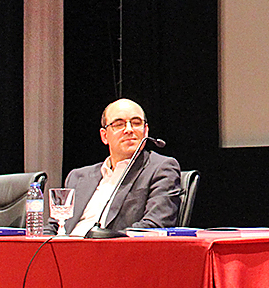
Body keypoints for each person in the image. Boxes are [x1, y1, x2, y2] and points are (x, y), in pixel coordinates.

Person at [62, 98, 181, 236]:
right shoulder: (78, 177)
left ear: (146, 131)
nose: (129, 130)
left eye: (136, 123)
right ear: (104, 136)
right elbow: (55, 225)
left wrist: (103, 241)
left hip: (115, 252)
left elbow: (155, 225)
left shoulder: (161, 168)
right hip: (65, 250)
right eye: (119, 124)